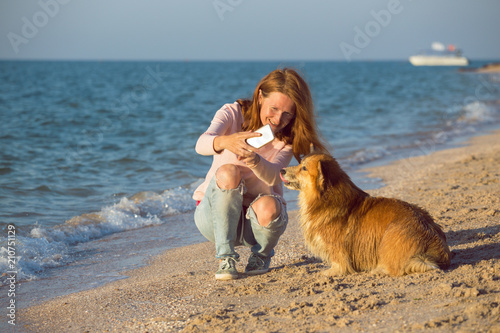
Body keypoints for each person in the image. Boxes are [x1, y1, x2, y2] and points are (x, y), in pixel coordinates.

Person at [193, 67, 326, 280]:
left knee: (270, 204)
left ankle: (262, 255)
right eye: (273, 108)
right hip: (214, 218)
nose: (277, 119)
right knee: (228, 171)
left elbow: (274, 176)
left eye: (287, 113)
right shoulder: (233, 112)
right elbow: (200, 144)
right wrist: (227, 141)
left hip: (256, 225)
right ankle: (225, 257)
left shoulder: (287, 138)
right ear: (260, 96)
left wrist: (255, 161)